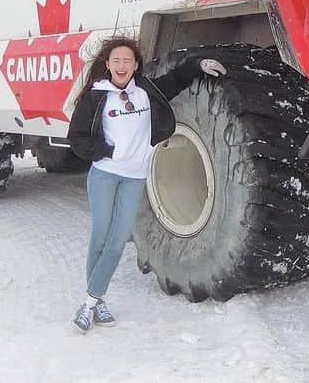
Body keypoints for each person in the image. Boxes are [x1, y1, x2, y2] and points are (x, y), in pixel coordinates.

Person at [66, 35, 226, 333]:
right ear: (108, 65)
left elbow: (176, 79)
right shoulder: (96, 95)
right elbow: (76, 138)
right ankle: (92, 303)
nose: (122, 65)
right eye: (116, 61)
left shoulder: (145, 92)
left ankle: (91, 301)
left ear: (136, 64)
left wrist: (199, 65)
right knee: (101, 237)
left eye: (127, 60)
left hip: (135, 177)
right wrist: (105, 151)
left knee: (116, 241)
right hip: (104, 175)